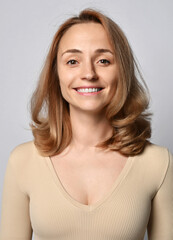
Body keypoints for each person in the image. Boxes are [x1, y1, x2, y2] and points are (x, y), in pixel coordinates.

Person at [0, 8, 172, 240]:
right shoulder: (22, 161)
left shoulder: (158, 162)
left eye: (103, 60)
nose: (88, 73)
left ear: (122, 71)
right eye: (73, 61)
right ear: (56, 74)